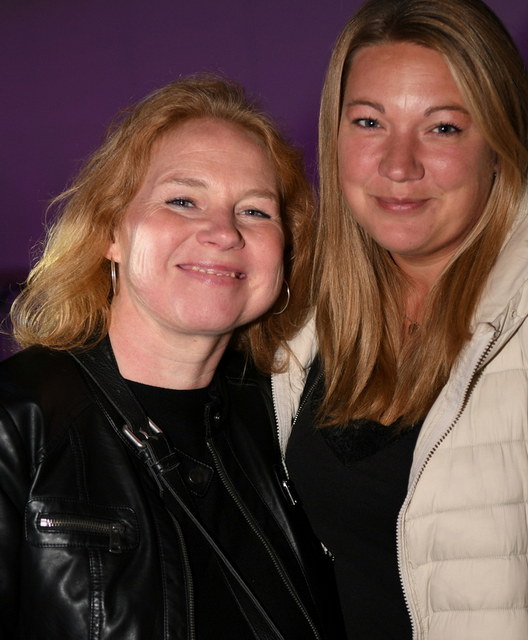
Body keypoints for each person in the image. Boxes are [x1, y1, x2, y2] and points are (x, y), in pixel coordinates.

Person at [271, 0, 528, 638]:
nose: (398, 165)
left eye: (442, 128)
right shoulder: (305, 301)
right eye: (369, 122)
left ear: (500, 142)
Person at [0, 74, 341, 639]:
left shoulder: (291, 427)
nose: (223, 233)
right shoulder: (17, 422)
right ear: (110, 232)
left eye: (256, 211)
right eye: (183, 200)